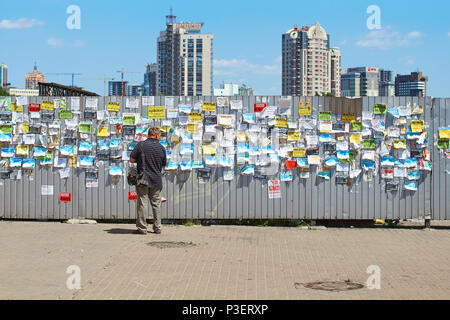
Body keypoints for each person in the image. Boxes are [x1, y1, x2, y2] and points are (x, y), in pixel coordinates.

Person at [130, 127, 167, 235]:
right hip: (156, 180)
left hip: (143, 179)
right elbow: (163, 165)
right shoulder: (161, 148)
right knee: (156, 204)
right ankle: (158, 227)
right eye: (160, 135)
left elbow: (132, 159)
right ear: (155, 135)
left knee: (142, 203)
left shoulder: (140, 145)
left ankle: (142, 228)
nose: (160, 138)